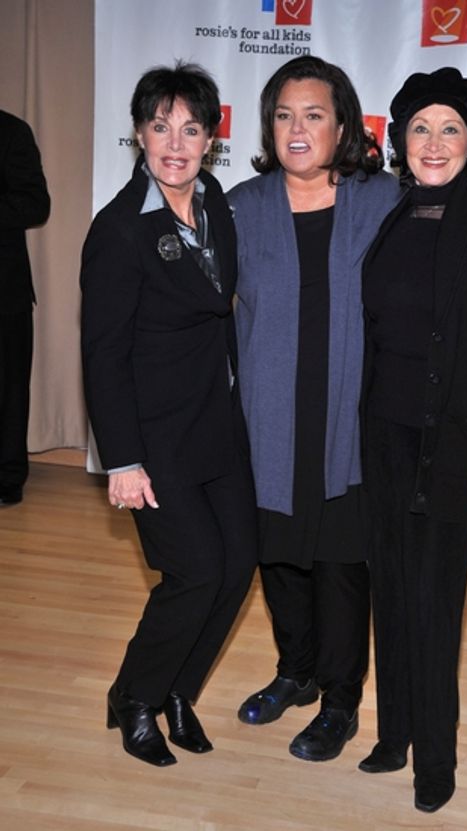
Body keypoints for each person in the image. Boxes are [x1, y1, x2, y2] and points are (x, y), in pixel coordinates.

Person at [359, 67, 467, 811]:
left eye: (451, 130)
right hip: (384, 438)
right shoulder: (388, 214)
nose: (434, 143)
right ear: (401, 140)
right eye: (421, 128)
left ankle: (437, 759)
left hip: (457, 448)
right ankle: (393, 732)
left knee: (435, 603)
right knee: (392, 591)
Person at [80, 62, 257, 767]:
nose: (175, 143)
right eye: (160, 127)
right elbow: (101, 354)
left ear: (211, 139)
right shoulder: (120, 230)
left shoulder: (215, 199)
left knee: (239, 562)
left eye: (190, 128)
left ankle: (181, 689)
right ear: (139, 134)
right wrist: (121, 459)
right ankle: (134, 695)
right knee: (195, 573)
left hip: (217, 425)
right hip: (154, 440)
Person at [228, 56, 400, 763]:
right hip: (267, 421)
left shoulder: (384, 198)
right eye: (283, 114)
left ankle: (339, 699)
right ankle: (294, 671)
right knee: (280, 561)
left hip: (350, 423)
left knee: (338, 565)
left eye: (315, 114)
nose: (297, 128)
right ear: (270, 125)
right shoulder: (238, 205)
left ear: (343, 125)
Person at [0, 110, 50, 506]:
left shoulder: (11, 131)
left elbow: (36, 205)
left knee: (8, 389)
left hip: (5, 290)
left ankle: (6, 478)